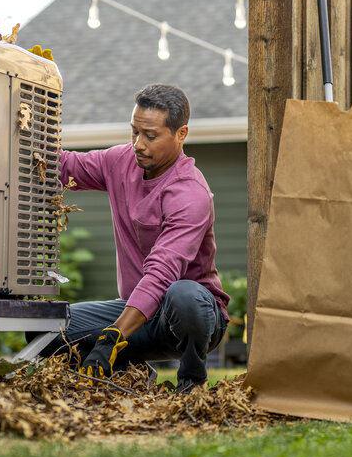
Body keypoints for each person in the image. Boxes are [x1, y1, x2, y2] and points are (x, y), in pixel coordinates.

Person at [46, 84, 230, 392]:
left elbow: (162, 273)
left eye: (151, 135)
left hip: (191, 317)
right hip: (136, 311)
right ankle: (132, 373)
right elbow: (63, 166)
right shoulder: (120, 162)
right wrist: (20, 130)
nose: (138, 144)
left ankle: (191, 384)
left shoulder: (189, 193)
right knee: (50, 328)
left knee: (184, 295)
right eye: (135, 132)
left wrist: (114, 335)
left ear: (181, 134)